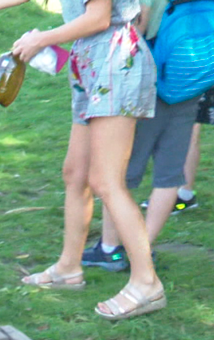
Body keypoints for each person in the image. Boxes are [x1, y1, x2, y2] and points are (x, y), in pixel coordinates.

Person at [0, 0, 165, 320]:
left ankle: (147, 283)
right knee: (75, 173)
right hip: (89, 60)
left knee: (106, 182)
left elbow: (98, 19)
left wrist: (41, 38)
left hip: (115, 59)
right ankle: (69, 268)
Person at [80, 0, 203, 272]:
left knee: (121, 170)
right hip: (189, 75)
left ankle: (112, 250)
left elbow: (140, 23)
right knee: (170, 172)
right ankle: (143, 248)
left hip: (150, 73)